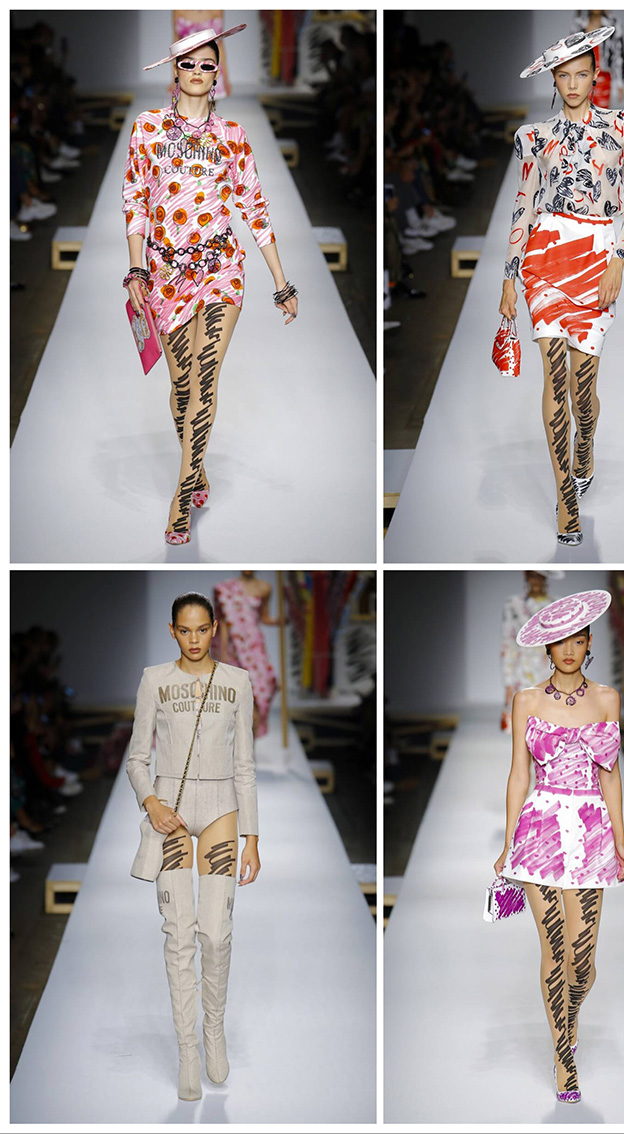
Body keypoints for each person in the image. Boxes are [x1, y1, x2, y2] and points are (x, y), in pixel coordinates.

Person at [121, 24, 300, 545]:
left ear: (217, 73)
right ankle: (197, 470)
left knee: (204, 379)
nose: (198, 72)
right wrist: (136, 270)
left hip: (222, 269)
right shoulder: (148, 128)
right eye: (189, 63)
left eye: (207, 64)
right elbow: (134, 199)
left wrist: (282, 282)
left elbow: (255, 208)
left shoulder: (233, 136)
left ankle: (182, 494)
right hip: (164, 276)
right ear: (174, 70)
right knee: (181, 388)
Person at [498, 28, 624, 546]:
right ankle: (565, 496)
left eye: (581, 74)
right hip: (544, 256)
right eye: (563, 76)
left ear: (595, 75)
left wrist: (619, 261)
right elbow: (523, 204)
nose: (572, 84)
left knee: (584, 392)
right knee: (553, 377)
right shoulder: (534, 137)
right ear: (553, 80)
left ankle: (586, 443)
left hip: (597, 255)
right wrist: (509, 277)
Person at [493, 590, 624, 1103]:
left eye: (578, 639)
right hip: (540, 834)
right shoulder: (527, 701)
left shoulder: (607, 699)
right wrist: (508, 843)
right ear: (547, 649)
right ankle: (564, 1055)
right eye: (560, 642)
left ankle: (569, 1021)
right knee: (554, 951)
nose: (570, 650)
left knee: (583, 960)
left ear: (590, 642)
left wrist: (621, 840)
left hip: (592, 834)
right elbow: (518, 774)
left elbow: (610, 775)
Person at [126, 591, 260, 1101]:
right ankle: (187, 1050)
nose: (195, 639)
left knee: (216, 934)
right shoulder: (154, 680)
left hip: (222, 807)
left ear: (215, 628)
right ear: (172, 631)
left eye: (202, 629)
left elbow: (245, 763)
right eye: (185, 630)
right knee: (179, 934)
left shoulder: (237, 682)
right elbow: (137, 757)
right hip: (173, 815)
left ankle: (213, 1031)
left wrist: (252, 837)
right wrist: (151, 803)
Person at [213, 570, 279, 737]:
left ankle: (252, 734)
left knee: (262, 687)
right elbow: (224, 622)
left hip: (255, 646)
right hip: (234, 647)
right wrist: (223, 653)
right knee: (236, 692)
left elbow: (264, 617)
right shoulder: (228, 589)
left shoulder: (264, 588)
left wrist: (282, 621)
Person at [500, 570, 557, 731]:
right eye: (532, 575)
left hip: (548, 665)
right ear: (526, 577)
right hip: (522, 666)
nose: (535, 580)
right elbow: (508, 641)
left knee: (548, 724)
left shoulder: (556, 604)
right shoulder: (513, 603)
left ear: (546, 577)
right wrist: (508, 681)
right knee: (522, 725)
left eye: (539, 576)